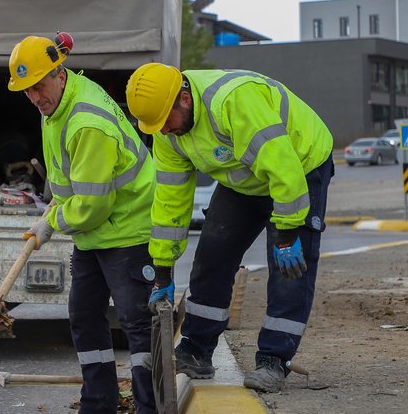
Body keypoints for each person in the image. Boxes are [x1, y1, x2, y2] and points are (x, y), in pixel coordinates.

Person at [125, 63, 333, 393]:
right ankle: (196, 351)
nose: (163, 131)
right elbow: (170, 201)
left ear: (184, 99)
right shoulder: (166, 132)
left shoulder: (232, 102)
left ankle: (273, 361)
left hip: (299, 164)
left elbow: (282, 165)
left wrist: (289, 232)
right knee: (212, 254)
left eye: (165, 121)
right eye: (155, 126)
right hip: (245, 178)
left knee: (288, 267)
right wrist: (162, 270)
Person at [9, 33, 163, 414]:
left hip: (128, 229)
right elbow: (69, 182)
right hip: (95, 233)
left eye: (40, 85)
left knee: (136, 322)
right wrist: (50, 217)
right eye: (27, 90)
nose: (35, 96)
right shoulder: (55, 106)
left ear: (60, 74)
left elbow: (92, 205)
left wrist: (52, 222)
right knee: (84, 316)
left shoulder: (87, 121)